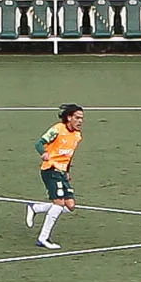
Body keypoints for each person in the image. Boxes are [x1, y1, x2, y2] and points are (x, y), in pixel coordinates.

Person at [25, 104, 84, 250]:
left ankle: (36, 208)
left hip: (62, 172)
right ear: (69, 117)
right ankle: (43, 238)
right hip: (50, 170)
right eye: (77, 118)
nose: (80, 121)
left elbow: (69, 156)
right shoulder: (58, 129)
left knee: (70, 206)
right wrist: (43, 153)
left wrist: (68, 171)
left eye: (82, 118)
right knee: (58, 203)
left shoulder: (77, 136)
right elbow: (39, 143)